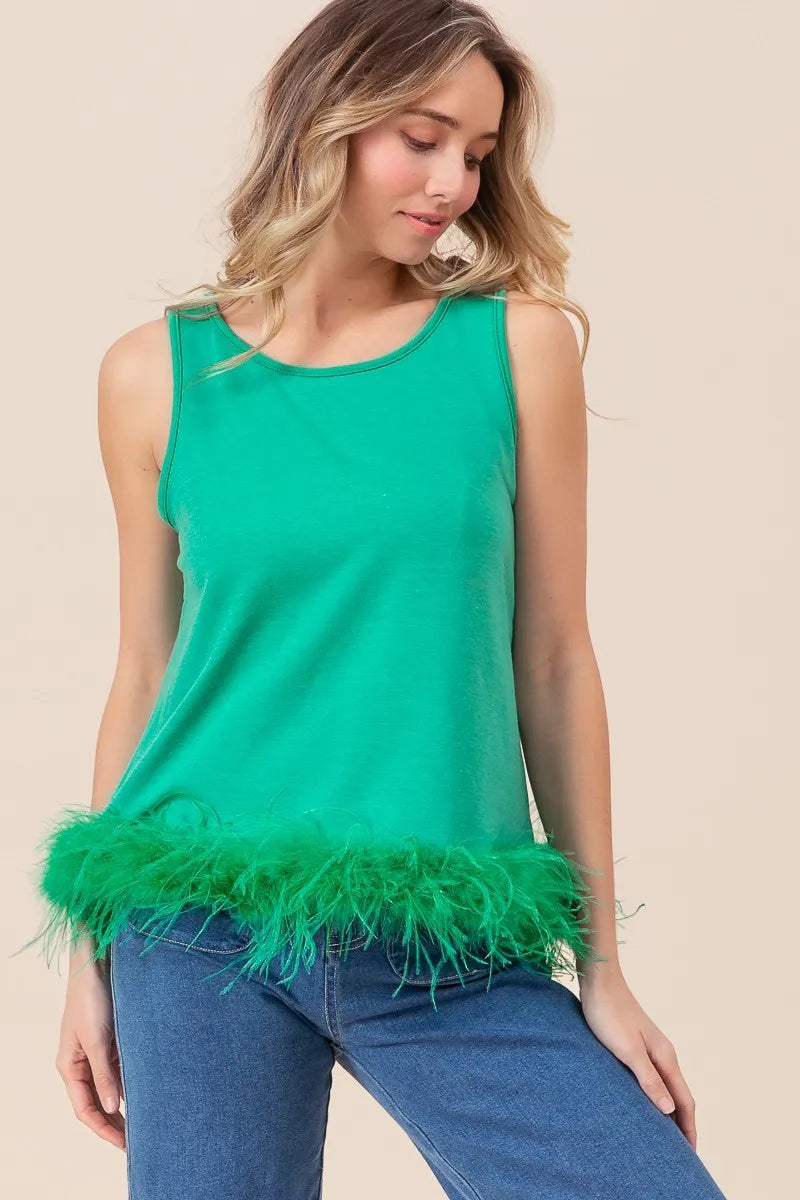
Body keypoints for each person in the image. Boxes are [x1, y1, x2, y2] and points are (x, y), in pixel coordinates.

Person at [18, 1, 728, 1196]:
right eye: (422, 137)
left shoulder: (515, 347)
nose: (453, 183)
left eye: (479, 153)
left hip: (445, 937)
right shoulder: (154, 374)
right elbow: (145, 667)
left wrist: (601, 966)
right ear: (325, 121)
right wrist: (89, 958)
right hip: (195, 926)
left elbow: (553, 658)